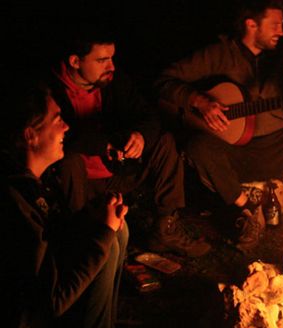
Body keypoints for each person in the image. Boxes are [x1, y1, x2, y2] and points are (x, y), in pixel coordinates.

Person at [154, 0, 283, 251]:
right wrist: (199, 100)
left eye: (282, 24)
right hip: (236, 153)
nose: (281, 31)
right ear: (251, 25)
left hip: (280, 146)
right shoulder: (218, 55)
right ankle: (249, 212)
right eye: (274, 24)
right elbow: (164, 81)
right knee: (198, 145)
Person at [0, 78, 130, 328]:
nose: (66, 127)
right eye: (57, 120)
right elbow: (52, 303)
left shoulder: (31, 181)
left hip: (38, 307)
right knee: (105, 245)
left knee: (115, 231)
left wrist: (95, 220)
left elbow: (56, 238)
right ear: (30, 135)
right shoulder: (14, 206)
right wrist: (101, 234)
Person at [47, 21, 211, 258]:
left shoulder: (113, 81)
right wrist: (106, 144)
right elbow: (66, 136)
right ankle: (80, 239)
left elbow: (148, 115)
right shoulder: (51, 91)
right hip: (80, 182)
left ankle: (165, 227)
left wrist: (140, 136)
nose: (111, 66)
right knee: (68, 159)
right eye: (102, 60)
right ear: (75, 61)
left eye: (112, 58)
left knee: (163, 141)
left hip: (119, 170)